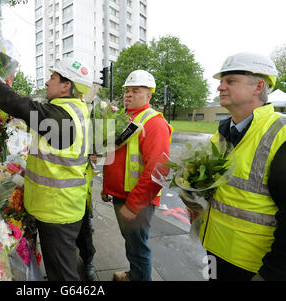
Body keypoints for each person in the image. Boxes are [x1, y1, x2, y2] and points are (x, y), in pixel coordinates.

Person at [0, 56, 92, 281]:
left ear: (66, 85)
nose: (47, 82)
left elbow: (14, 103)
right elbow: (17, 107)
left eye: (53, 78)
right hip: (62, 205)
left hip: (57, 210)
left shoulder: (60, 118)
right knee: (59, 269)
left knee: (63, 276)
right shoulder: (71, 110)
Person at [181, 52, 286, 280]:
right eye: (221, 81)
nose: (220, 87)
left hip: (253, 264)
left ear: (258, 86)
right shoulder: (221, 133)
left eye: (230, 81)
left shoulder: (281, 134)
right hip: (214, 250)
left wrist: (272, 272)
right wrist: (191, 193)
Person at [101, 70, 172, 281]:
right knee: (131, 243)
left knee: (139, 248)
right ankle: (134, 275)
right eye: (126, 90)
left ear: (148, 95)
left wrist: (134, 205)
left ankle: (139, 276)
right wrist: (107, 188)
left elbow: (158, 169)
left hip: (137, 201)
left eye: (135, 90)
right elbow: (114, 155)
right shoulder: (125, 117)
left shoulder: (155, 123)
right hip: (121, 195)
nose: (128, 95)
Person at [75, 155, 98, 281]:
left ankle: (88, 259)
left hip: (79, 185)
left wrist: (94, 154)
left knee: (84, 228)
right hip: (57, 188)